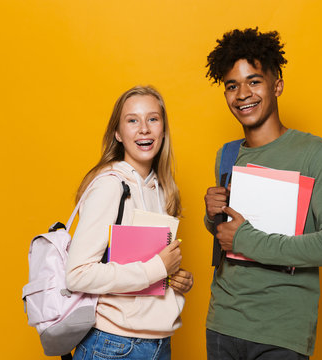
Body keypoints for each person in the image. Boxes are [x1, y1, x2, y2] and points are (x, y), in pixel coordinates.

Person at [203, 28, 322, 359]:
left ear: (277, 85)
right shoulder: (226, 155)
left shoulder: (313, 153)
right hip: (223, 324)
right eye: (232, 85)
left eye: (254, 81)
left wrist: (247, 240)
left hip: (281, 330)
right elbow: (229, 236)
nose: (242, 93)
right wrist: (213, 215)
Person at [66, 85, 193, 360]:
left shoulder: (162, 189)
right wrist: (157, 268)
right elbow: (77, 274)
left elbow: (143, 267)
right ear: (118, 134)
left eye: (153, 119)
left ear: (163, 130)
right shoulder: (110, 186)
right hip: (113, 345)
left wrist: (173, 279)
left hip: (158, 345)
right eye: (132, 120)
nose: (144, 128)